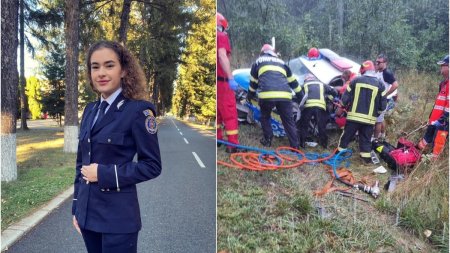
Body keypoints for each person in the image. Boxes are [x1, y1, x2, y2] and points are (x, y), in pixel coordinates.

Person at [72, 41, 162, 253]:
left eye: (109, 65)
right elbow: (81, 163)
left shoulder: (138, 111)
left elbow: (152, 165)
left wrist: (103, 174)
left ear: (123, 71)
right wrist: (77, 206)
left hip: (118, 219)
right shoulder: (90, 110)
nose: (101, 73)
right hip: (87, 215)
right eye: (95, 67)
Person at [248, 44, 301, 149]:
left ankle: (267, 139)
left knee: (265, 117)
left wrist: (250, 96)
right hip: (285, 96)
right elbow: (293, 82)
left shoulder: (258, 62)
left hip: (267, 95)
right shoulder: (282, 63)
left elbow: (253, 83)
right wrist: (301, 96)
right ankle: (295, 146)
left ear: (262, 52)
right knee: (288, 120)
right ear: (273, 53)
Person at [336, 60, 386, 163]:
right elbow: (383, 105)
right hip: (369, 120)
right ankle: (366, 159)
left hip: (353, 118)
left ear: (363, 70)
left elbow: (345, 98)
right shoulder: (380, 84)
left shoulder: (355, 80)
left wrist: (341, 109)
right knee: (366, 140)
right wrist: (377, 114)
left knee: (346, 137)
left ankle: (340, 156)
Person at [216, 12, 240, 153]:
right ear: (223, 26)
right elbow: (222, 56)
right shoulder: (221, 36)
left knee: (218, 113)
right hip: (223, 82)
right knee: (230, 113)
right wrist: (230, 78)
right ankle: (232, 145)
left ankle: (218, 140)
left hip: (216, 84)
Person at [416, 55, 449, 158]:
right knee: (426, 144)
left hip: (443, 123)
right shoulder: (443, 83)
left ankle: (432, 167)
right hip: (435, 122)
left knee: (437, 149)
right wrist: (432, 120)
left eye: (443, 66)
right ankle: (420, 158)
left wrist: (442, 120)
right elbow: (439, 104)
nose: (441, 68)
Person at [297, 74, 337, 148]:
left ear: (306, 79)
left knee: (304, 125)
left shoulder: (304, 85)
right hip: (320, 107)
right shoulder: (322, 84)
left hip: (308, 106)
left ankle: (302, 143)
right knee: (321, 126)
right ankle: (324, 145)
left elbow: (299, 96)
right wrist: (329, 98)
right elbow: (334, 92)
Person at [374, 54, 399, 140]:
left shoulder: (387, 73)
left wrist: (385, 94)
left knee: (377, 120)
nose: (377, 63)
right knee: (381, 118)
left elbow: (395, 85)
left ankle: (375, 138)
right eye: (376, 61)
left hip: (382, 100)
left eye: (379, 62)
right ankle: (383, 133)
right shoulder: (378, 71)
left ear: (385, 63)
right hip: (377, 99)